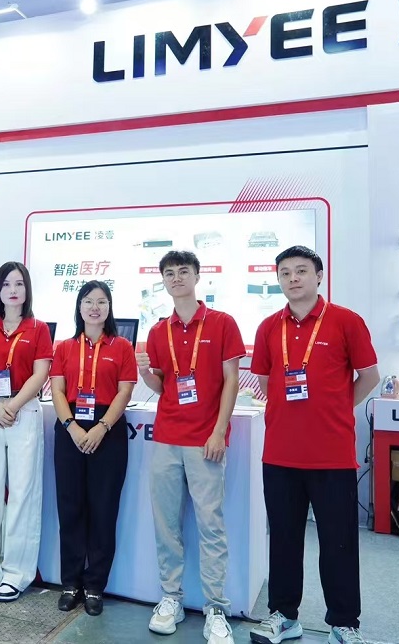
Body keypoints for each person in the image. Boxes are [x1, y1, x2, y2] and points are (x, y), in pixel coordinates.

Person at [248, 246, 379, 644]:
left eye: (301, 270)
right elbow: (266, 382)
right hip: (280, 454)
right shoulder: (269, 327)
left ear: (318, 276)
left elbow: (369, 376)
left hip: (332, 454)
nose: (293, 278)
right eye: (285, 272)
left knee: (338, 542)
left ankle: (344, 622)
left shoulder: (345, 321)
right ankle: (284, 616)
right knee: (284, 540)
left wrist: (337, 406)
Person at [136, 251, 244, 644]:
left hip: (205, 441)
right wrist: (145, 372)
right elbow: (163, 384)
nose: (176, 278)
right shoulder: (158, 330)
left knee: (210, 525)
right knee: (166, 524)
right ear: (163, 281)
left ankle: (216, 607)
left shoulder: (222, 323)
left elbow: (231, 380)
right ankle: (171, 598)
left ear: (197, 277)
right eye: (169, 273)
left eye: (184, 271)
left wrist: (219, 431)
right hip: (166, 438)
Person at [0, 261, 53, 602]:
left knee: (22, 494)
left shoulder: (38, 328)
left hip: (23, 411)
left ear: (27, 289)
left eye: (19, 283)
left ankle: (16, 574)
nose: (13, 290)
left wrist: (13, 405)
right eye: (6, 284)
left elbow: (40, 373)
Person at [50, 280, 136, 617]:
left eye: (101, 301)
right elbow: (58, 390)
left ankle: (95, 586)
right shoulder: (65, 347)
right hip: (70, 428)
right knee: (70, 509)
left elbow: (124, 392)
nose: (95, 307)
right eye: (88, 301)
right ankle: (70, 583)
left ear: (109, 307)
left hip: (107, 431)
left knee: (103, 510)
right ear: (79, 307)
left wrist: (102, 427)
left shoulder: (122, 347)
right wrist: (71, 427)